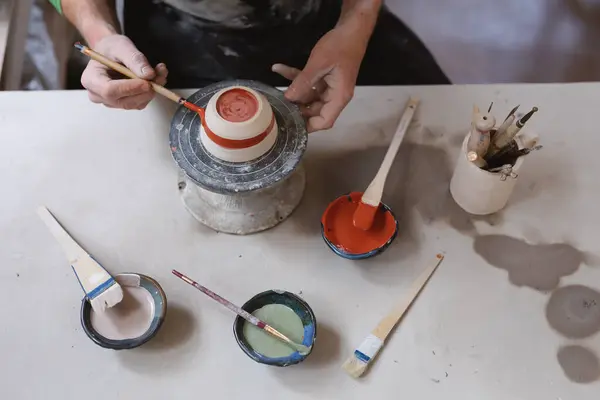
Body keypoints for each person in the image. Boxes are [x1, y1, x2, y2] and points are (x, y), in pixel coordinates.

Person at [52, 0, 449, 132]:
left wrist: (356, 27)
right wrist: (98, 32)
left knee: (434, 132)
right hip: (180, 31)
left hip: (334, 21)